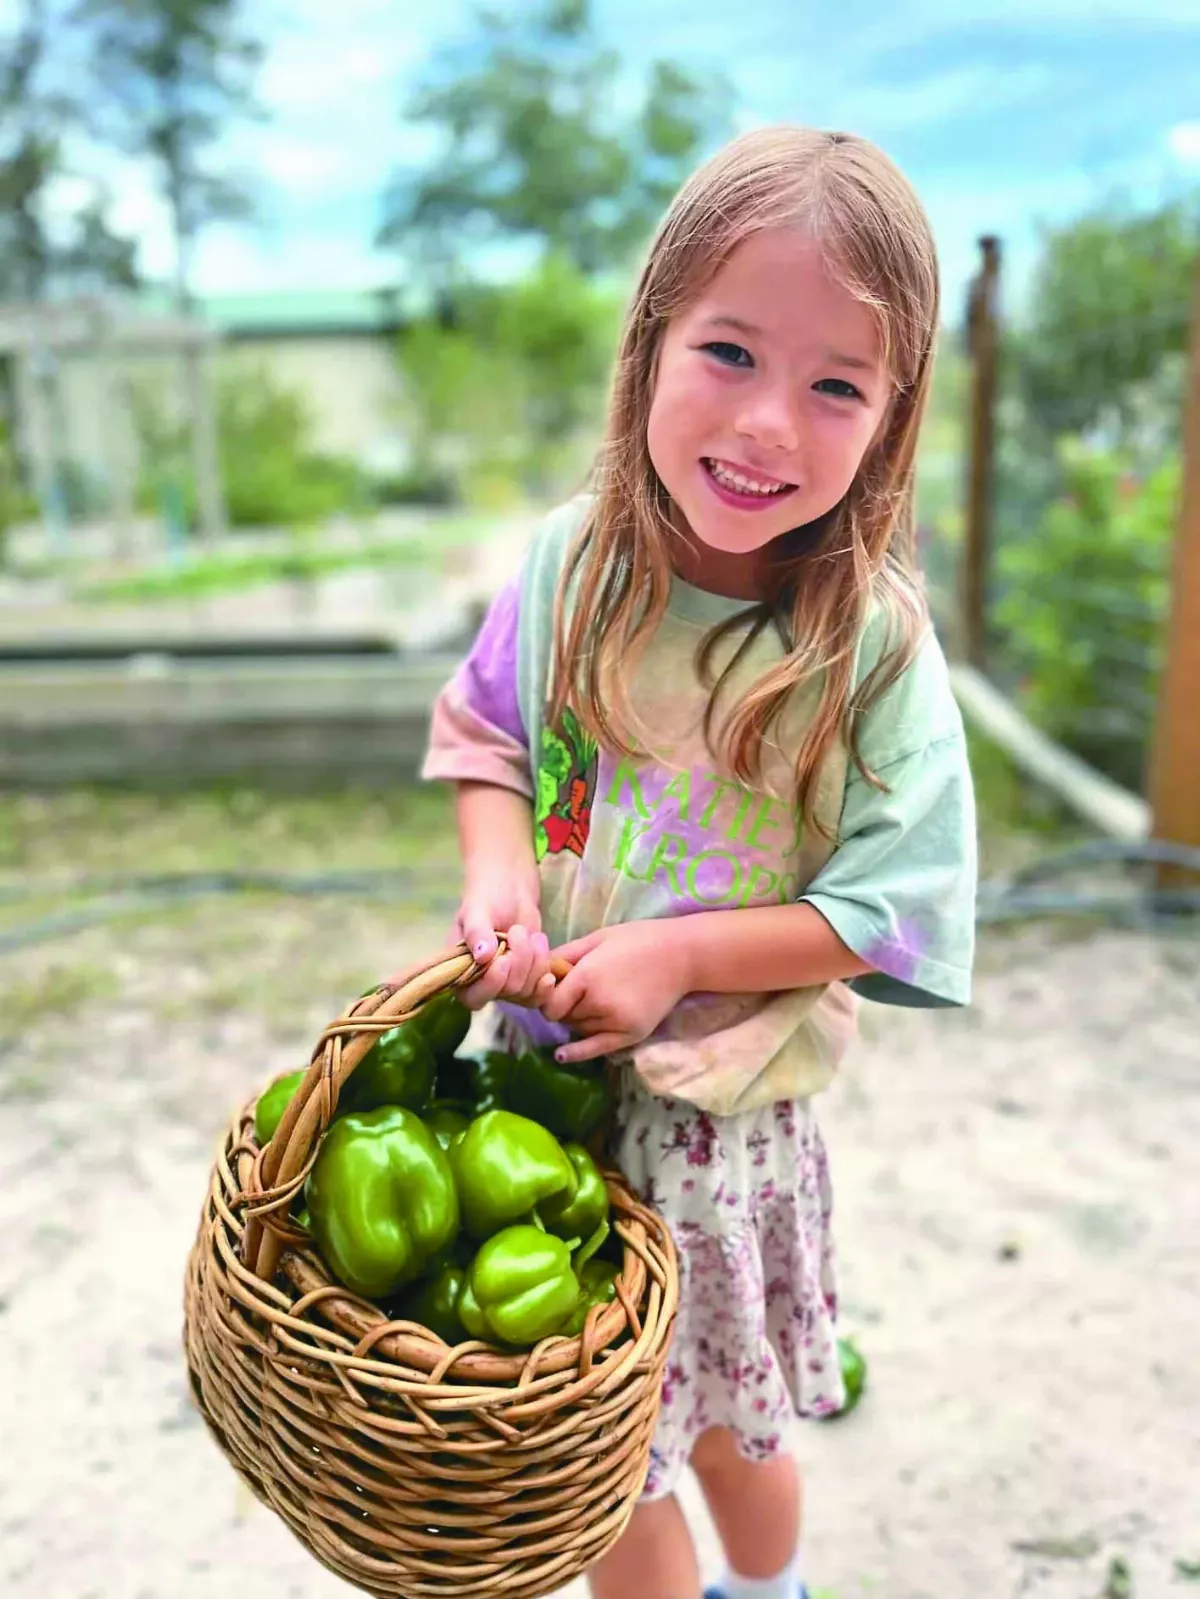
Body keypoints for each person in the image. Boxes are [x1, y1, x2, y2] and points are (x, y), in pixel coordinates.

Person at [420, 124, 976, 1599]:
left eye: (836, 384)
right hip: (538, 1095)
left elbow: (890, 908)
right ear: (651, 331)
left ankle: (770, 1586)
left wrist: (679, 956)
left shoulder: (867, 648)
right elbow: (489, 737)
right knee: (592, 1456)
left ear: (893, 418)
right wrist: (503, 878)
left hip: (720, 1133)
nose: (770, 425)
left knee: (735, 1424)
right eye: (728, 351)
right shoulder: (568, 565)